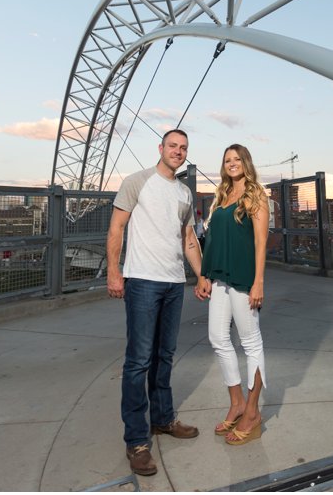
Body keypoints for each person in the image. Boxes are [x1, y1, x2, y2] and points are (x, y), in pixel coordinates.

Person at [106, 129, 204, 476]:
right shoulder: (137, 182)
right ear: (160, 148)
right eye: (173, 146)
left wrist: (201, 275)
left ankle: (163, 420)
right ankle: (136, 440)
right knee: (138, 360)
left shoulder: (184, 192)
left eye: (183, 148)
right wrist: (114, 272)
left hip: (174, 282)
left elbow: (188, 238)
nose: (178, 151)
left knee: (164, 355)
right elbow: (117, 227)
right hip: (143, 281)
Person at [194, 144, 269, 446]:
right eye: (227, 160)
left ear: (246, 163)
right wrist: (203, 275)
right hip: (219, 279)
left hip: (243, 278)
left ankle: (252, 412)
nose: (232, 164)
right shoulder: (221, 197)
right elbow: (210, 241)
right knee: (217, 338)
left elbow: (261, 243)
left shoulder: (257, 197)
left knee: (251, 342)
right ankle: (236, 402)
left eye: (237, 159)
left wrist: (259, 282)